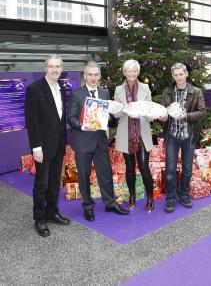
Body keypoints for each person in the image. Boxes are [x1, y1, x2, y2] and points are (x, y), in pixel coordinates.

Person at [68, 61, 129, 221]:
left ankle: (110, 203)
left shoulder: (104, 93)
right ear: (85, 76)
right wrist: (82, 125)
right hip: (82, 141)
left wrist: (111, 116)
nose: (93, 77)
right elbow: (71, 118)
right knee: (84, 175)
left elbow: (107, 119)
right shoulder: (77, 94)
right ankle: (88, 206)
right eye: (90, 74)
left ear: (99, 76)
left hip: (100, 141)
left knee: (105, 173)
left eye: (96, 74)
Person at [24, 54, 70, 237]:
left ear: (61, 68)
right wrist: (36, 148)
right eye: (51, 66)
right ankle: (39, 218)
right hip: (42, 147)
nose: (54, 69)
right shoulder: (34, 89)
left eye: (57, 66)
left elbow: (60, 120)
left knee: (54, 182)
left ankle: (52, 212)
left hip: (58, 145)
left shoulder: (62, 89)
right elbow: (32, 121)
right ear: (45, 68)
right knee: (41, 184)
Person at [161, 63, 206, 213]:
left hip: (189, 136)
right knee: (170, 170)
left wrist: (186, 116)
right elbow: (164, 112)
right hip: (172, 136)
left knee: (187, 169)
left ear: (186, 74)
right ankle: (170, 198)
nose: (178, 78)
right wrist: (162, 116)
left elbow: (202, 113)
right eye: (175, 75)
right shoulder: (167, 91)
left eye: (181, 74)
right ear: (172, 76)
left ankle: (183, 194)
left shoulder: (196, 92)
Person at [114, 59, 155, 212]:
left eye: (134, 71)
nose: (131, 74)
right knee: (129, 169)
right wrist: (124, 109)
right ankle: (131, 195)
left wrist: (150, 115)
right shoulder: (118, 90)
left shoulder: (145, 88)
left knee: (144, 167)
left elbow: (149, 109)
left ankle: (150, 197)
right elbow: (117, 114)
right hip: (126, 134)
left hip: (142, 132)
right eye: (128, 71)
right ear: (124, 72)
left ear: (138, 72)